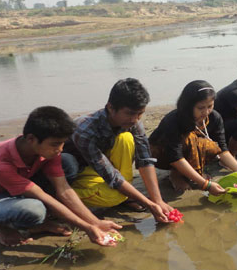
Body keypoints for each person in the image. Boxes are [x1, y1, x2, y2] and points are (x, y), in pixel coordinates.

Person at [0, 106, 122, 247]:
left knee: (67, 162)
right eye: (55, 144)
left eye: (62, 143)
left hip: (18, 189)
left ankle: (39, 224)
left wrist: (96, 222)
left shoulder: (44, 150)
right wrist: (88, 228)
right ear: (31, 139)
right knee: (34, 209)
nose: (60, 149)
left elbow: (64, 190)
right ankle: (3, 225)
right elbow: (43, 197)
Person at [65, 78, 173, 223]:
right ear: (110, 107)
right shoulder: (85, 129)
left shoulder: (133, 123)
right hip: (78, 171)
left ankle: (125, 194)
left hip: (101, 169)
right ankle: (63, 199)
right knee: (114, 196)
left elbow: (145, 160)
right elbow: (112, 176)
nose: (135, 119)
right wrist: (149, 204)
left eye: (140, 113)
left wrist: (158, 200)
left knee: (126, 138)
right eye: (129, 113)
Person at [149, 80, 237, 195]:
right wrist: (205, 185)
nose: (206, 112)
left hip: (185, 152)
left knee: (212, 146)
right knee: (190, 138)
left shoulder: (214, 117)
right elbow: (175, 156)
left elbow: (223, 149)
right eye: (201, 108)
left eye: (210, 106)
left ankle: (191, 173)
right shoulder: (173, 120)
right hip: (161, 154)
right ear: (189, 106)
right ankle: (176, 174)